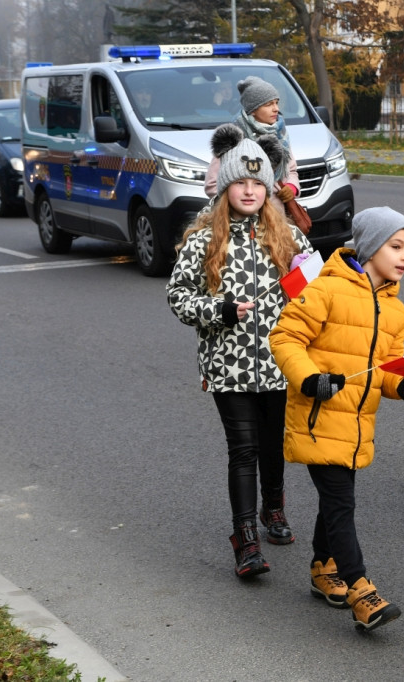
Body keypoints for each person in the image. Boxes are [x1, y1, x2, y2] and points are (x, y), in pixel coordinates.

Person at [269, 206, 404, 631]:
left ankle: (324, 568)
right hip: (319, 417)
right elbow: (284, 337)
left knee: (336, 501)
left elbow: (386, 367)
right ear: (371, 246)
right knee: (341, 504)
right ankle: (361, 589)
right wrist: (309, 380)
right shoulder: (328, 290)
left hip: (357, 425)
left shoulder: (395, 310)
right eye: (396, 246)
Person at [167, 124, 313, 577]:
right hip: (226, 363)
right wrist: (219, 311)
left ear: (268, 189)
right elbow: (178, 296)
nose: (249, 191)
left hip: (276, 361)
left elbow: (316, 284)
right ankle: (245, 538)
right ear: (226, 185)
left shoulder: (286, 235)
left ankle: (274, 510)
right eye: (240, 183)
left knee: (272, 444)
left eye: (257, 184)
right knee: (243, 447)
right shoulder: (205, 239)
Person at [205, 76, 301, 224]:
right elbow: (212, 185)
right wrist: (245, 204)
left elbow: (292, 171)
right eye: (269, 104)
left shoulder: (280, 134)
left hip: (276, 221)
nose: (276, 109)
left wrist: (291, 187)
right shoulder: (232, 138)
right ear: (253, 110)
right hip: (240, 225)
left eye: (276, 103)